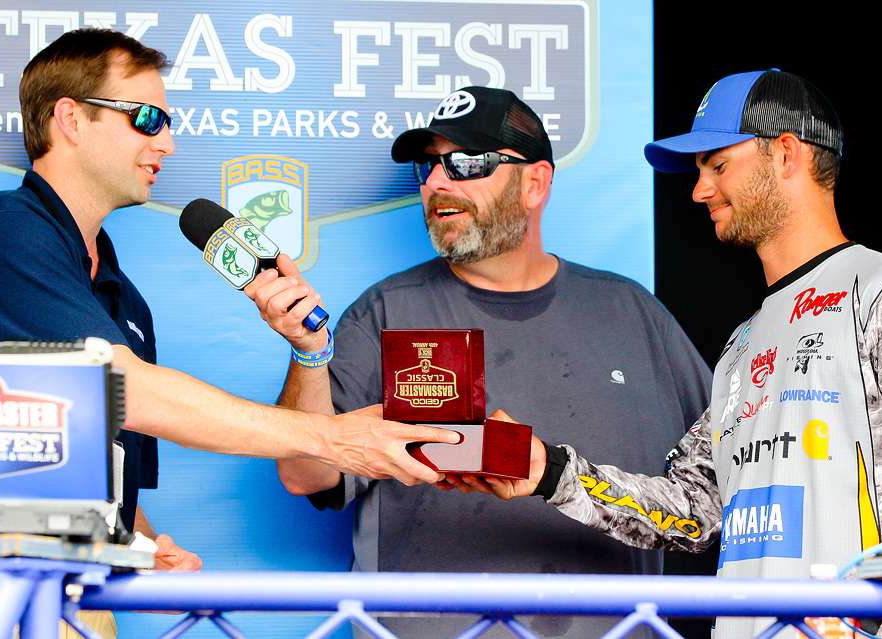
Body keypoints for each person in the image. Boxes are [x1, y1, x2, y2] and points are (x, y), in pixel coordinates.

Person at [0, 29, 459, 564]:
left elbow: (107, 477)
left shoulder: (124, 301)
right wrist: (330, 437)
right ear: (71, 119)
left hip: (63, 586)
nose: (167, 144)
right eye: (147, 119)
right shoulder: (1, 229)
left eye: (168, 124)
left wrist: (146, 554)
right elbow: (123, 390)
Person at [447, 70, 882, 638]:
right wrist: (547, 471)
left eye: (718, 165)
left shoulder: (880, 293)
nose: (699, 190)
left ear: (787, 154)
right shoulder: (743, 344)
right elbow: (693, 510)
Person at [246, 86, 712, 638]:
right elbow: (304, 474)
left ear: (535, 183)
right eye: (429, 166)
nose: (437, 183)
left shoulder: (632, 311)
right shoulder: (385, 311)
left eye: (467, 163)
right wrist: (306, 350)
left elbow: (722, 485)